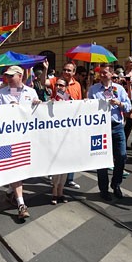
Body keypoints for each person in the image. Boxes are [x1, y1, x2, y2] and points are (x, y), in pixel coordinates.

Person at [0, 65, 41, 219]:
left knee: (22, 169)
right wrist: (9, 109)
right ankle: (21, 204)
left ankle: (10, 191)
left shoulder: (31, 92)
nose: (8, 78)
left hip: (25, 137)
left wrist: (37, 105)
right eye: (7, 76)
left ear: (20, 76)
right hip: (7, 139)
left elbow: (36, 116)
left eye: (11, 76)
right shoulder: (2, 93)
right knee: (14, 169)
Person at [88, 63, 132, 201]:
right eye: (100, 72)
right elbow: (88, 107)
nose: (102, 74)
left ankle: (116, 184)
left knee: (121, 156)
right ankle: (103, 189)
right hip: (100, 127)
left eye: (105, 72)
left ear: (111, 74)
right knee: (101, 160)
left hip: (116, 126)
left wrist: (119, 103)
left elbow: (129, 107)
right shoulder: (94, 89)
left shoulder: (118, 89)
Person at [41, 61, 82, 189]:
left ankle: (69, 179)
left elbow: (80, 103)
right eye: (64, 69)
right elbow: (43, 82)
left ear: (74, 72)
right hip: (57, 123)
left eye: (69, 70)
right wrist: (45, 69)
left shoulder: (77, 85)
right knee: (56, 151)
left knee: (71, 151)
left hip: (71, 124)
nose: (66, 72)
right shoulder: (56, 81)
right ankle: (54, 176)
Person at [49, 78, 70, 204]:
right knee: (56, 166)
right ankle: (55, 190)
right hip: (55, 138)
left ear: (65, 88)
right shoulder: (51, 100)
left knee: (65, 166)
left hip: (67, 138)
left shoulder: (70, 100)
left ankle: (61, 191)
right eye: (56, 85)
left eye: (61, 85)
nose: (58, 87)